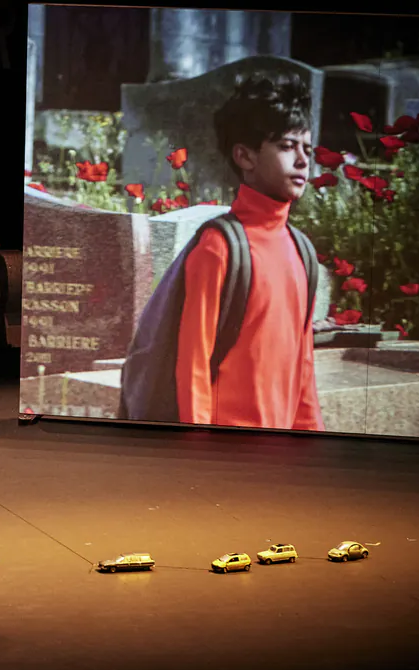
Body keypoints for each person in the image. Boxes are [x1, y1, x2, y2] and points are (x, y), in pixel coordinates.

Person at [175, 73, 324, 431]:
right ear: (244, 155)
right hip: (226, 461)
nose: (303, 161)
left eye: (308, 148)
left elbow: (303, 369)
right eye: (288, 146)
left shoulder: (301, 250)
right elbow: (193, 365)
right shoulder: (220, 247)